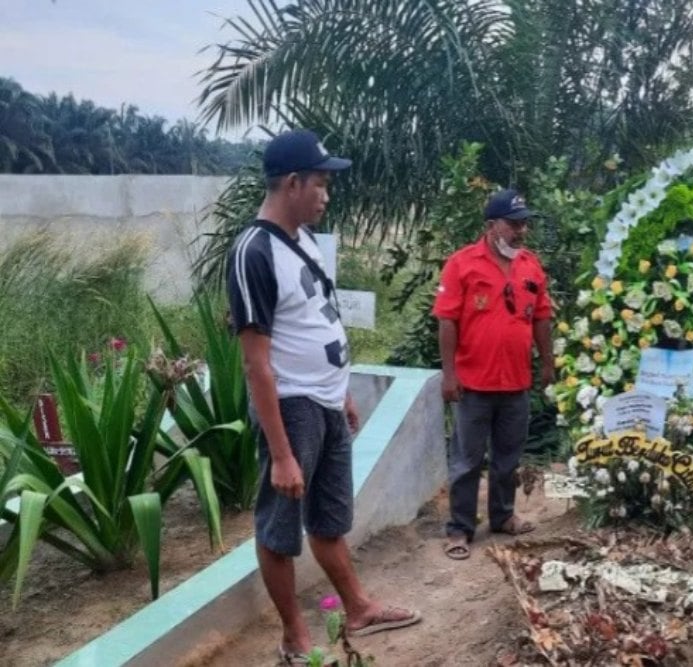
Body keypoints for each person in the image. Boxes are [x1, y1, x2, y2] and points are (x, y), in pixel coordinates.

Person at [227, 129, 420, 664]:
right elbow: (255, 361)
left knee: (330, 517)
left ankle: (357, 606)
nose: (327, 194)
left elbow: (319, 320)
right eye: (321, 183)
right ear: (292, 183)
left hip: (326, 402)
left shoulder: (305, 240)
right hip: (291, 407)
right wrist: (283, 453)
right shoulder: (253, 252)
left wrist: (344, 393)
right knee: (278, 529)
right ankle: (295, 637)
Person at [433, 189, 555, 560]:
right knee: (467, 460)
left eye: (524, 224)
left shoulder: (530, 265)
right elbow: (447, 321)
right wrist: (449, 374)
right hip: (473, 383)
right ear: (491, 226)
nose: (521, 231)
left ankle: (502, 516)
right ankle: (460, 529)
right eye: (514, 224)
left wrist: (548, 362)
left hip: (516, 383)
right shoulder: (461, 264)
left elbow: (542, 317)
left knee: (508, 457)